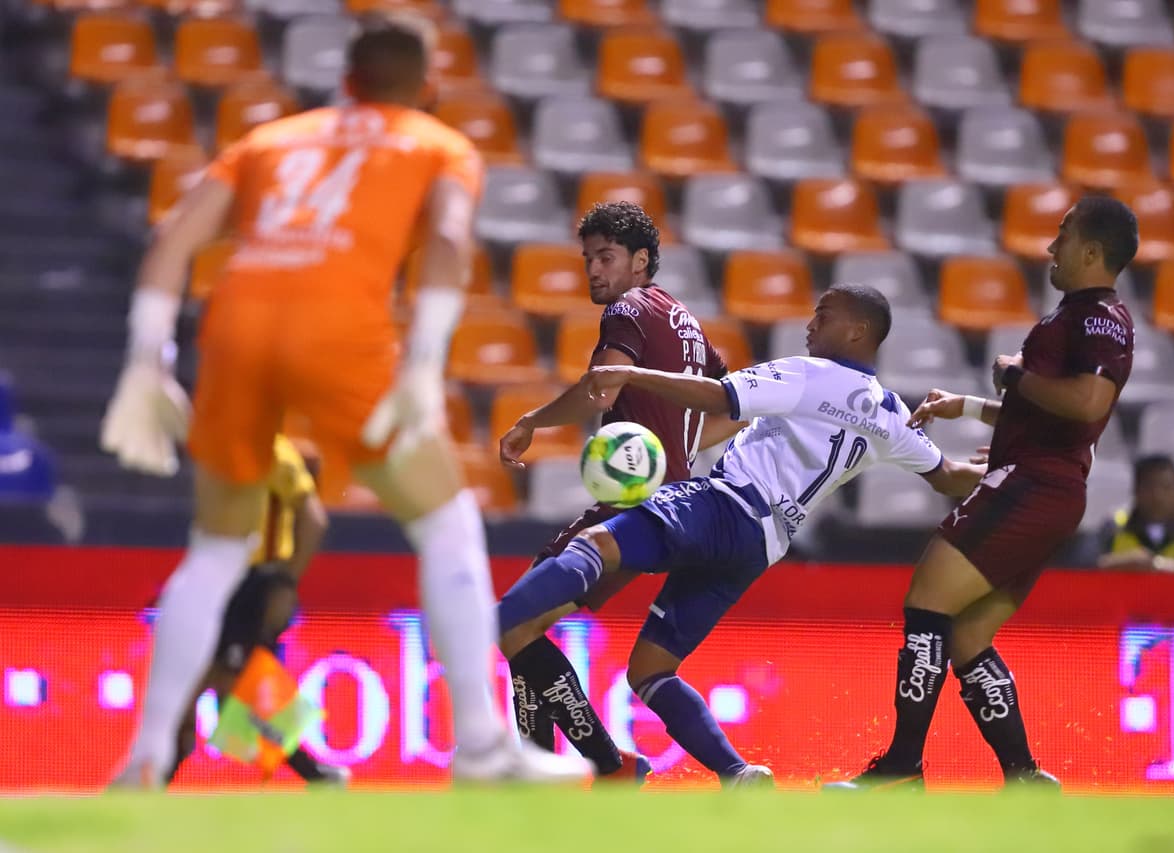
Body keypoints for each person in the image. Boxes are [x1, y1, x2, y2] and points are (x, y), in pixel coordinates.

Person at [99, 19, 589, 786]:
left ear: (346, 78)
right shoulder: (437, 145)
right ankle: (483, 746)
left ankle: (147, 755)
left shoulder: (269, 141)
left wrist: (145, 359)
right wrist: (426, 361)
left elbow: (173, 238)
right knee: (445, 521)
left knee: (216, 551)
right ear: (426, 88)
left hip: (236, 326)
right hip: (339, 331)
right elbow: (452, 243)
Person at [497, 284, 986, 788]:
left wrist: (632, 373)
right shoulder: (889, 413)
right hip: (760, 546)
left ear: (858, 330)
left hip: (725, 505)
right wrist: (994, 471)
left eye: (824, 316)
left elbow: (720, 396)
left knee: (595, 545)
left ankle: (491, 624)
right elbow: (946, 474)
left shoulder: (807, 373)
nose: (810, 325)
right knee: (650, 670)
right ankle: (738, 773)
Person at [828, 195, 1139, 792]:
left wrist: (1014, 373)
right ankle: (1023, 776)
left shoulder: (1094, 319)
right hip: (1047, 487)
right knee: (968, 637)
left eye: (1064, 234)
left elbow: (1087, 404)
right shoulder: (1082, 317)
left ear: (1093, 251)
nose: (1052, 246)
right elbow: (1056, 414)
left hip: (1032, 484)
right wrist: (969, 406)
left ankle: (900, 769)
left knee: (926, 605)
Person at [496, 201, 738, 782]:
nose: (594, 271)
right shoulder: (687, 322)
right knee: (527, 623)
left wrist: (530, 420)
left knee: (513, 620)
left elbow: (599, 392)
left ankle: (603, 764)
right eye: (588, 260)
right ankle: (542, 767)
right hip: (681, 510)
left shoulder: (629, 310)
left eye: (606, 257)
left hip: (632, 508)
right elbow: (733, 408)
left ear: (641, 260)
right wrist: (674, 450)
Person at [165, 435, 347, 786]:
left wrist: (285, 583)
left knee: (229, 686)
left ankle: (317, 775)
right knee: (220, 689)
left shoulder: (274, 453)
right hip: (222, 584)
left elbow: (314, 519)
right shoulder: (220, 447)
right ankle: (317, 775)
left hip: (252, 587)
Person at [1087, 454, 1174, 573]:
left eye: (1166, 487)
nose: (1158, 496)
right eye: (1149, 487)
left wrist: (1167, 566)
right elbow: (1081, 565)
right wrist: (1118, 563)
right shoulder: (1114, 526)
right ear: (1135, 491)